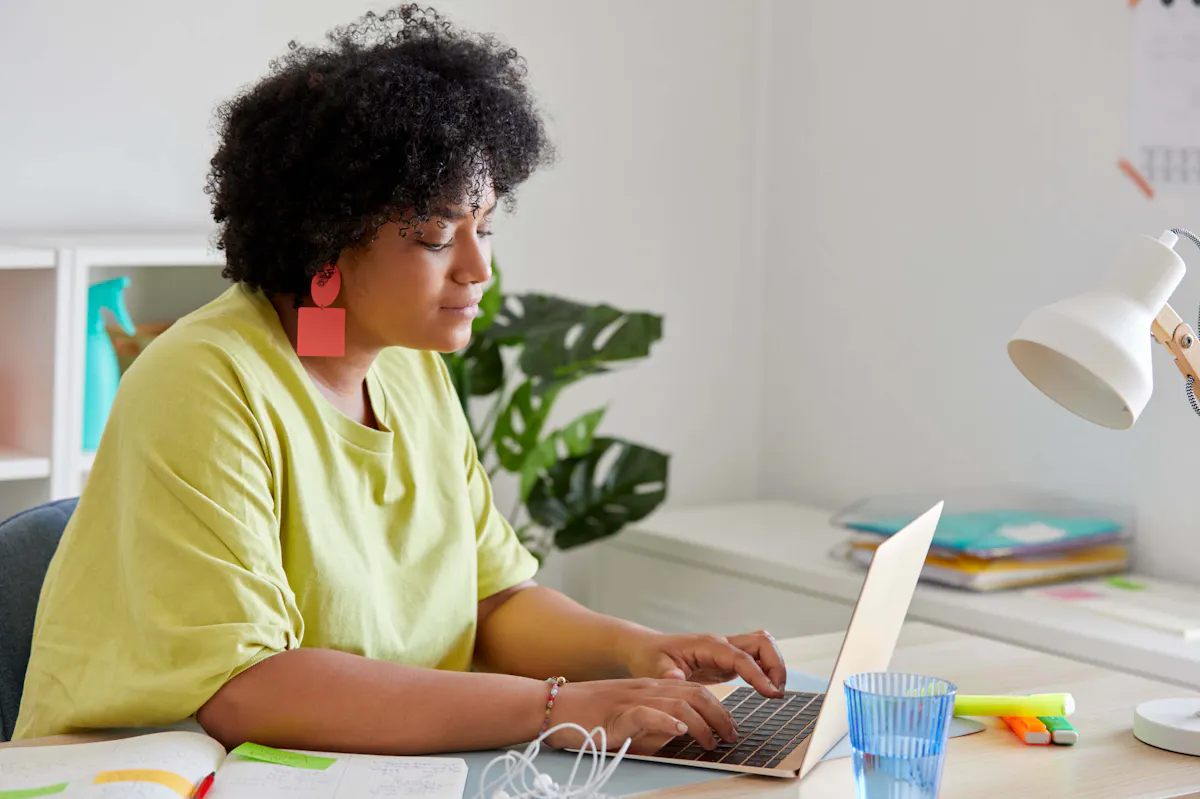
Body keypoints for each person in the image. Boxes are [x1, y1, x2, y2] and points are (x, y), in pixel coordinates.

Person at [14, 5, 786, 756]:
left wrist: (640, 651)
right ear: (325, 239)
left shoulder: (411, 367)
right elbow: (245, 689)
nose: (479, 268)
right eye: (436, 236)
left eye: (484, 229)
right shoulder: (204, 380)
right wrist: (559, 705)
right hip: (157, 773)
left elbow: (493, 600)